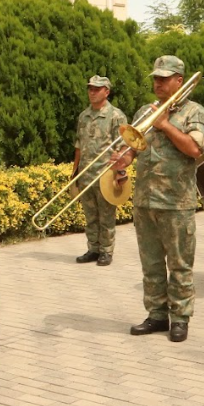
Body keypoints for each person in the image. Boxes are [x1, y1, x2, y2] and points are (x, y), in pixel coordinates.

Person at [114, 55, 204, 343]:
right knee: (151, 263)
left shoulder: (195, 113)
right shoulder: (145, 110)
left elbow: (195, 149)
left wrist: (166, 124)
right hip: (145, 200)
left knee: (180, 264)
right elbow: (134, 148)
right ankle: (156, 315)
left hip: (176, 202)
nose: (158, 82)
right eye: (156, 78)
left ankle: (180, 318)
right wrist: (123, 160)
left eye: (164, 78)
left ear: (179, 81)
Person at [72, 75, 127, 267]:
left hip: (106, 174)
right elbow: (79, 145)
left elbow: (123, 147)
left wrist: (119, 173)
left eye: (97, 89)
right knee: (90, 215)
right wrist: (75, 173)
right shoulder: (83, 116)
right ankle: (93, 248)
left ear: (107, 91)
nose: (92, 92)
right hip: (86, 173)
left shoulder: (116, 116)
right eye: (90, 89)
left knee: (106, 215)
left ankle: (106, 251)